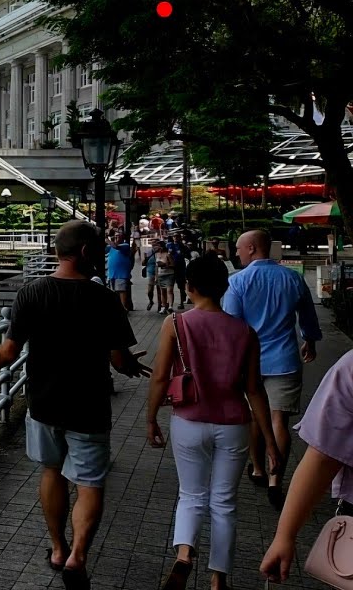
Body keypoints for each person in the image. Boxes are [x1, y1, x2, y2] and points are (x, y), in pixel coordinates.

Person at [0, 220, 148, 590]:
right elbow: (119, 359)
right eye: (99, 250)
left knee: (51, 472)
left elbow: (9, 351)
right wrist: (133, 365)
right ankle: (78, 556)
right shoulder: (103, 298)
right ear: (85, 252)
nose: (102, 256)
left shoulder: (31, 293)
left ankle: (57, 549)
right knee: (89, 484)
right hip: (89, 404)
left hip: (43, 402)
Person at [146, 257, 281, 590]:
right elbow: (254, 389)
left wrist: (151, 418)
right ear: (225, 288)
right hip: (234, 424)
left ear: (188, 287)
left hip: (189, 421)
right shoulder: (245, 332)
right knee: (224, 502)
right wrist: (270, 443)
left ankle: (183, 556)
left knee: (191, 494)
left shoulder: (175, 324)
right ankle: (218, 579)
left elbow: (161, 376)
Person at [223, 229, 322, 509]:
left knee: (256, 416)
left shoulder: (238, 281)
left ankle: (256, 468)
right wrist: (310, 341)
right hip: (284, 358)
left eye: (240, 248)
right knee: (279, 420)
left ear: (252, 248)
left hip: (249, 361)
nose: (237, 253)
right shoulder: (292, 277)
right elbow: (308, 316)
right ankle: (276, 481)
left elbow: (232, 325)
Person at [260, 349, 353, 583]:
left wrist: (285, 535)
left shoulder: (350, 368)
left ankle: (266, 474)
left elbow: (322, 458)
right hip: (281, 364)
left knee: (270, 416)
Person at [106, 232, 135, 310]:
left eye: (118, 236)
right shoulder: (111, 247)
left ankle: (123, 308)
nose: (116, 237)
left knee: (121, 291)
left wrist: (106, 239)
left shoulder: (125, 245)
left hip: (121, 274)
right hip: (112, 274)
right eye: (115, 236)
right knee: (114, 292)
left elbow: (116, 246)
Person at [155, 241, 176, 314]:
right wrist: (156, 277)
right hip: (161, 275)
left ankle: (170, 306)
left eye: (160, 246)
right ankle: (163, 306)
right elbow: (156, 267)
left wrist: (165, 265)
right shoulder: (157, 255)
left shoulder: (168, 254)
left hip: (169, 274)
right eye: (157, 246)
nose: (158, 248)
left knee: (169, 290)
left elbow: (173, 265)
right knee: (162, 291)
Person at [142, 236, 162, 312]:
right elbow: (143, 263)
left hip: (159, 272)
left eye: (156, 242)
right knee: (150, 290)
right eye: (153, 242)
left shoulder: (161, 251)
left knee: (159, 289)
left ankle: (160, 305)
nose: (154, 244)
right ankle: (151, 301)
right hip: (150, 272)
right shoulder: (148, 251)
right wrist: (145, 259)